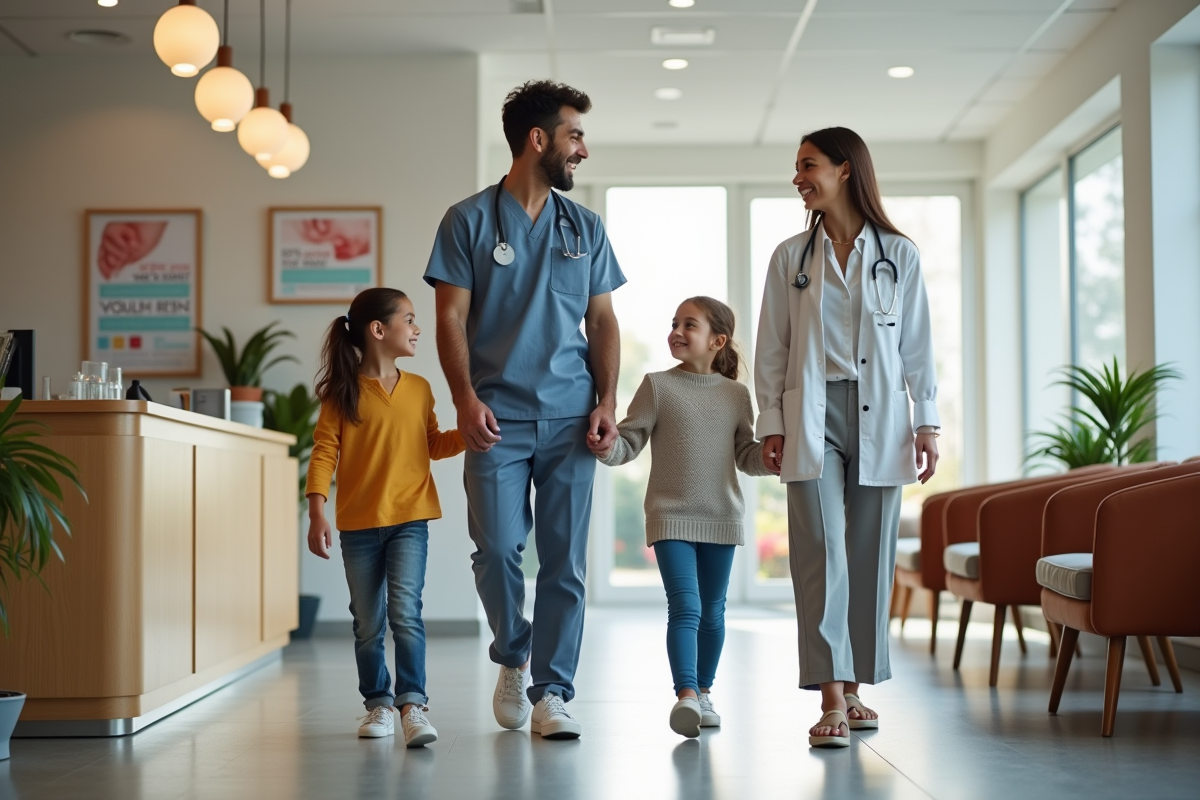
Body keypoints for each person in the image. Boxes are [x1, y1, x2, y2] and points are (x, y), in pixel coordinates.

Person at [423, 81, 625, 740]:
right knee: (497, 549)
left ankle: (554, 692)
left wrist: (606, 401)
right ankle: (513, 653)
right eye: (575, 136)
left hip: (570, 419)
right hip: (494, 418)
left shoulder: (584, 227)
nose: (583, 151)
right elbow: (448, 316)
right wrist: (464, 398)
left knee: (564, 562)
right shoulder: (469, 221)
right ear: (538, 140)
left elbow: (603, 322)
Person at [753, 127, 940, 748]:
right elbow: (772, 350)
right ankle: (830, 695)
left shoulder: (899, 254)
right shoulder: (790, 258)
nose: (799, 177)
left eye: (809, 165)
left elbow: (916, 347)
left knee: (868, 554)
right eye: (797, 167)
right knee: (820, 553)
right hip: (812, 415)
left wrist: (927, 422)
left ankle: (856, 686)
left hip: (882, 414)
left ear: (845, 169)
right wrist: (772, 424)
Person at [595, 297, 770, 738]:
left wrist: (770, 460)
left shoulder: (736, 395)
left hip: (721, 517)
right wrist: (606, 447)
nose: (676, 330)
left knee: (713, 612)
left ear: (717, 340)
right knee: (686, 606)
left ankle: (704, 692)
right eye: (674, 323)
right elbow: (629, 441)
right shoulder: (657, 386)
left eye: (688, 325)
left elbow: (745, 455)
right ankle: (686, 694)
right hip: (670, 516)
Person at [305, 287, 466, 747]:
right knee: (367, 621)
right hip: (357, 526)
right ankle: (378, 704)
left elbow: (432, 444)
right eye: (410, 319)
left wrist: (468, 436)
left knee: (405, 612)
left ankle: (412, 703)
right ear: (379, 330)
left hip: (410, 519)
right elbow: (324, 454)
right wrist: (317, 511)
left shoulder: (420, 389)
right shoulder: (342, 392)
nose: (417, 329)